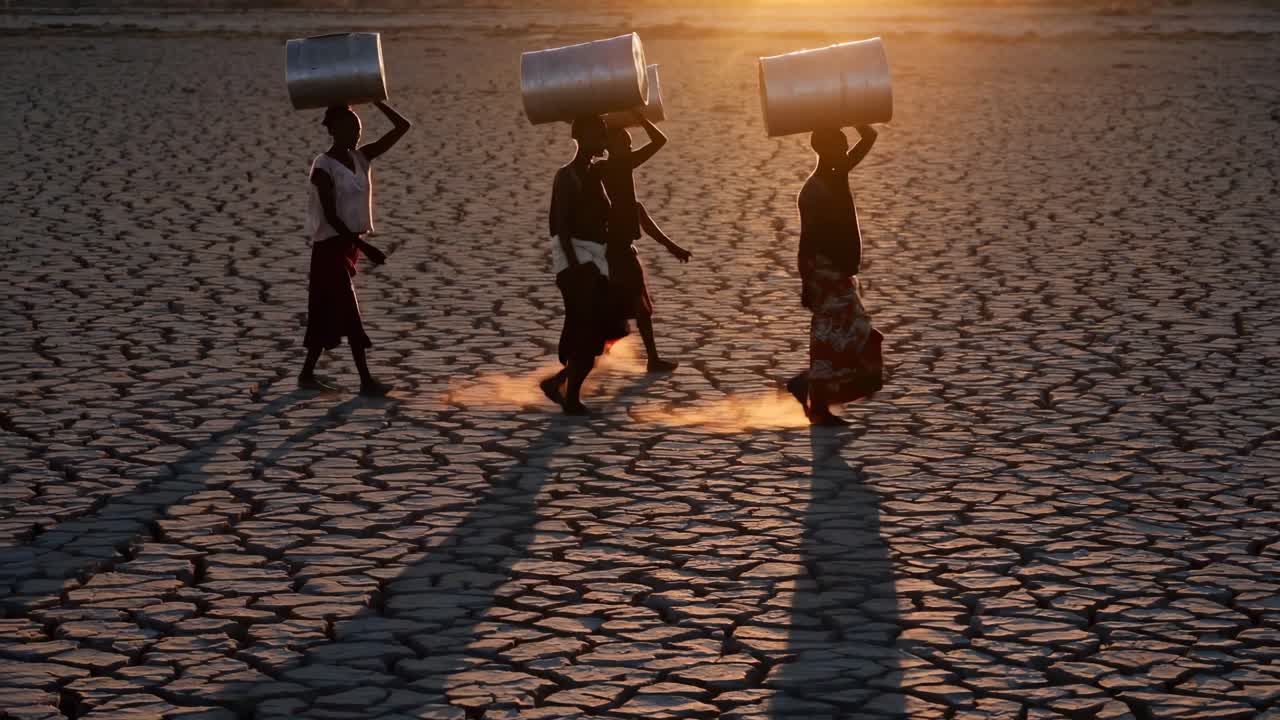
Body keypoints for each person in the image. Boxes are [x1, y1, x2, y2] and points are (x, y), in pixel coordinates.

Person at [298, 101, 411, 396]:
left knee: (324, 313)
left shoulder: (361, 158)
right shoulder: (323, 166)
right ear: (333, 130)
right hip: (330, 249)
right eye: (350, 128)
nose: (356, 134)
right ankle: (365, 381)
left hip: (347, 248)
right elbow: (331, 216)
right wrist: (366, 247)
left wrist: (375, 98)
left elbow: (402, 127)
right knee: (349, 312)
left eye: (359, 128)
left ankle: (306, 375)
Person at [787, 125, 885, 425]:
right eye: (838, 146)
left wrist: (847, 115)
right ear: (823, 150)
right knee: (853, 336)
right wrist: (807, 280)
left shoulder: (836, 173)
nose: (844, 151)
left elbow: (869, 137)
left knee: (843, 339)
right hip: (825, 273)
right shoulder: (816, 187)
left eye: (844, 146)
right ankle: (813, 393)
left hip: (835, 272)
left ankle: (815, 397)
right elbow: (807, 239)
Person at [540, 115, 629, 415]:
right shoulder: (567, 176)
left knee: (603, 331)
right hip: (576, 264)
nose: (605, 141)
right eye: (599, 135)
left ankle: (560, 384)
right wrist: (576, 266)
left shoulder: (596, 171)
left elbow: (631, 158)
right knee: (586, 330)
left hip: (595, 261)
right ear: (582, 138)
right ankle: (570, 396)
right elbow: (559, 226)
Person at [600, 113, 692, 372]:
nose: (629, 148)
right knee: (631, 311)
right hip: (618, 253)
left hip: (620, 251)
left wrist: (672, 246)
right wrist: (639, 116)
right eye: (624, 144)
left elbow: (640, 215)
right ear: (609, 147)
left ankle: (603, 356)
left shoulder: (613, 169)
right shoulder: (613, 167)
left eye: (629, 145)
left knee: (633, 310)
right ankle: (591, 360)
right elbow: (659, 140)